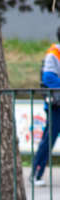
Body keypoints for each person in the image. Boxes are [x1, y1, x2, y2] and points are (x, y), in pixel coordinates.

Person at [31, 26, 60, 187]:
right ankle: (36, 173)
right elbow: (48, 77)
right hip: (56, 105)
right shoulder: (54, 54)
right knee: (48, 140)